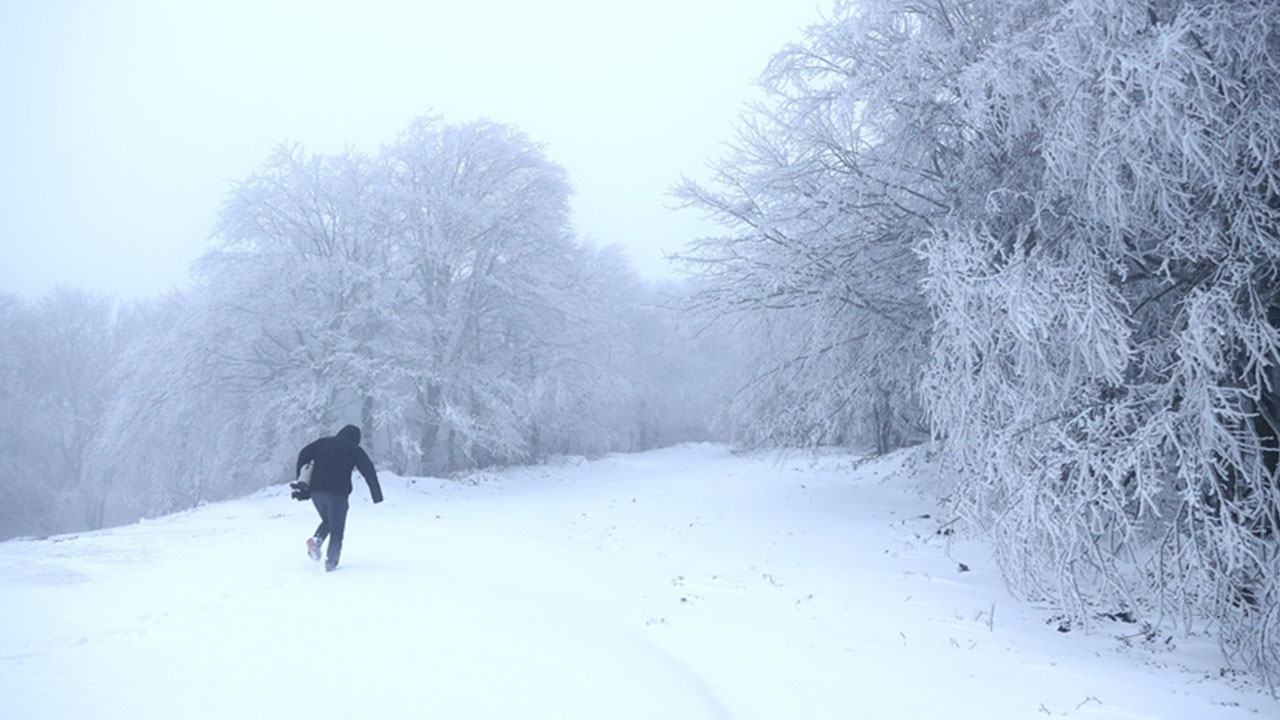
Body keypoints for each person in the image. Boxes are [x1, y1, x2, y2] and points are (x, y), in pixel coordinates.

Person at [293, 424, 383, 571]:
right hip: (337, 494)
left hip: (317, 493)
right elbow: (368, 469)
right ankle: (331, 563)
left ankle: (316, 541)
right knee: (337, 529)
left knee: (329, 521)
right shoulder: (353, 449)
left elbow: (303, 454)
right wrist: (376, 494)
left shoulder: (322, 442)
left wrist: (301, 479)